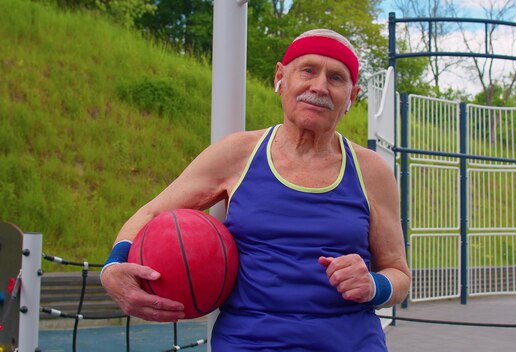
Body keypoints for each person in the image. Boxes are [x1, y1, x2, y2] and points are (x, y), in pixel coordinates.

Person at [101, 28, 411, 351]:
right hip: (250, 342)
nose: (319, 86)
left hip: (350, 342)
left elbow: (399, 274)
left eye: (335, 78)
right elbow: (151, 214)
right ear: (281, 78)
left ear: (351, 97)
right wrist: (113, 266)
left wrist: (374, 284)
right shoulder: (238, 154)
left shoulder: (372, 171)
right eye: (308, 70)